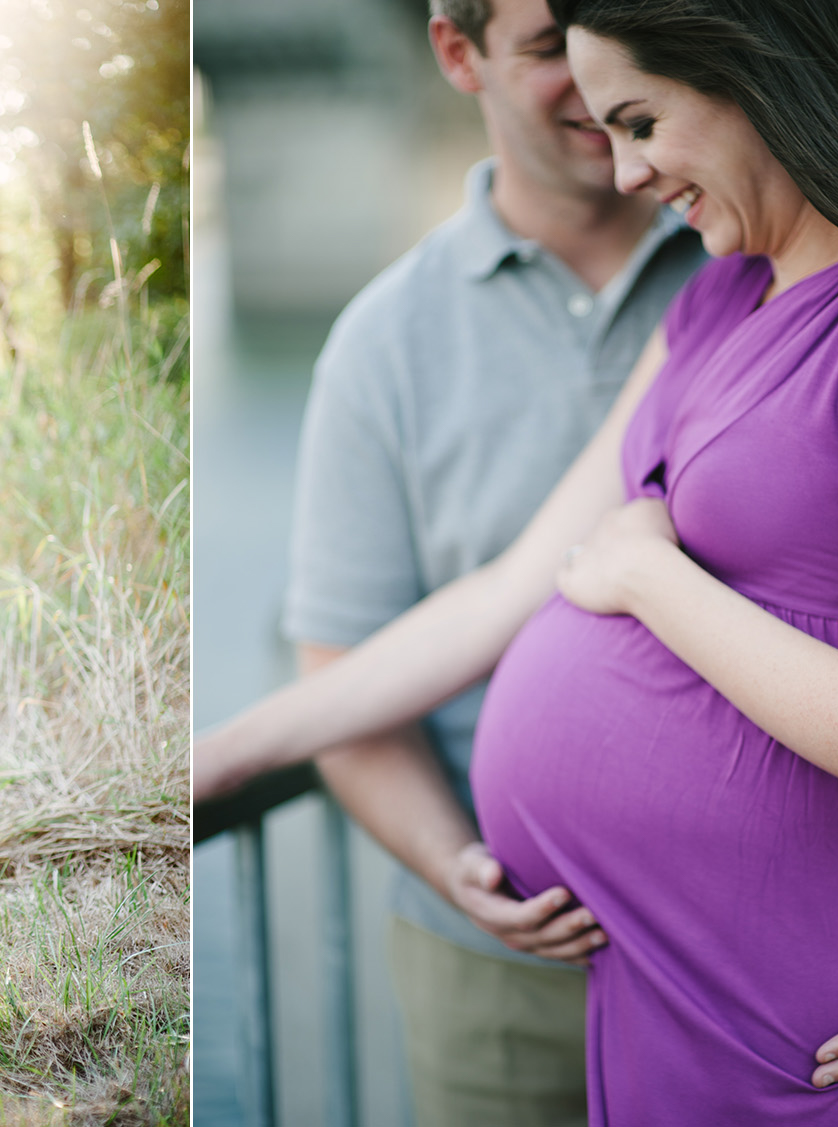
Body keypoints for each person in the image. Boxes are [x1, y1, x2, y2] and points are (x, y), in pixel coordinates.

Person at [197, 0, 838, 1118]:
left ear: (751, 72)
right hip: (631, 967)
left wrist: (651, 578)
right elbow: (508, 588)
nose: (627, 168)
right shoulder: (719, 295)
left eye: (640, 119)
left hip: (812, 999)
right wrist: (215, 760)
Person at [284, 0, 702, 1119]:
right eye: (549, 44)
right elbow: (340, 672)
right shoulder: (383, 344)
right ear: (456, 53)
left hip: (767, 951)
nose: (597, 73)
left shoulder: (758, 253)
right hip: (508, 979)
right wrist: (454, 861)